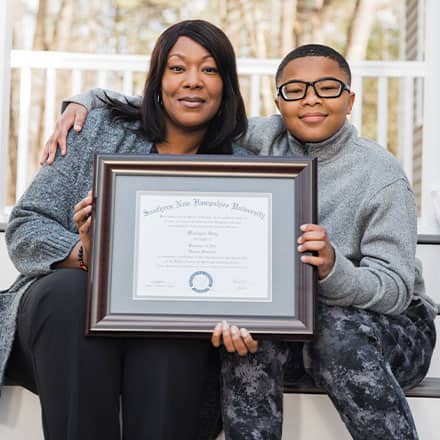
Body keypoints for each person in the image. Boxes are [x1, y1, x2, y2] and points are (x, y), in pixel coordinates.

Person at [41, 44, 438, 439]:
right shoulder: (263, 138)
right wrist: (86, 101)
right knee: (247, 340)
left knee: (335, 333)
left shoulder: (381, 175)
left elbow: (397, 291)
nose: (311, 99)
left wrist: (334, 269)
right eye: (295, 89)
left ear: (350, 100)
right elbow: (187, 102)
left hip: (388, 327)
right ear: (278, 102)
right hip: (295, 321)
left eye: (328, 88)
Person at [1, 19, 256, 440]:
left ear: (227, 86)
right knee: (70, 293)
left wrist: (248, 314)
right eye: (177, 68)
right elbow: (27, 225)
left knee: (170, 323)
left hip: (174, 326)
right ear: (157, 81)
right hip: (64, 320)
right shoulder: (99, 130)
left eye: (209, 70)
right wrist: (86, 255)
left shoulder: (243, 169)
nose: (193, 81)